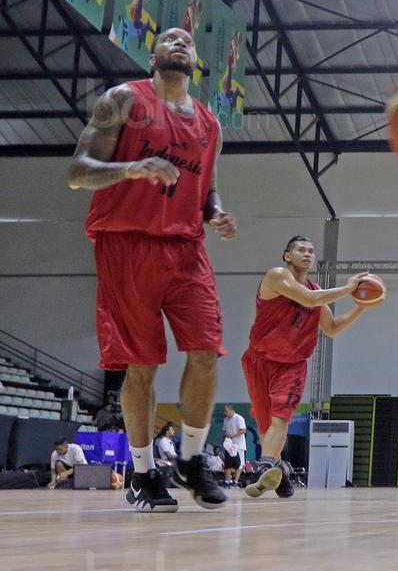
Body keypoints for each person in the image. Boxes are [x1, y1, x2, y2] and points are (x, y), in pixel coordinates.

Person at [69, 27, 233, 513]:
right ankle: (142, 474)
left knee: (206, 353)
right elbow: (78, 171)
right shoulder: (122, 100)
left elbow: (208, 188)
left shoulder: (209, 123)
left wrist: (215, 212)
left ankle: (191, 457)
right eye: (170, 38)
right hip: (126, 244)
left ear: (196, 59)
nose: (180, 42)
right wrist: (132, 168)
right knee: (143, 366)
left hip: (186, 247)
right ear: (152, 55)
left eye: (188, 40)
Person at [242, 236, 372, 499]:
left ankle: (265, 466)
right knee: (266, 427)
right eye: (301, 250)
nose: (307, 254)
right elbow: (309, 300)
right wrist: (348, 288)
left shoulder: (316, 292)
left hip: (292, 365)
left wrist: (361, 307)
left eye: (311, 251)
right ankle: (281, 470)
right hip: (259, 360)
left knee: (280, 418)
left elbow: (332, 328)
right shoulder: (277, 276)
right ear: (287, 256)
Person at [222, 405, 247, 489]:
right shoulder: (226, 419)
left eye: (226, 411)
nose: (224, 413)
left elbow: (243, 430)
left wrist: (233, 436)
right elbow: (225, 431)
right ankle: (227, 481)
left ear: (230, 409)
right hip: (229, 445)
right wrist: (225, 436)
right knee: (227, 463)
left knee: (239, 464)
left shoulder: (239, 418)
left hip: (239, 445)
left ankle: (235, 482)